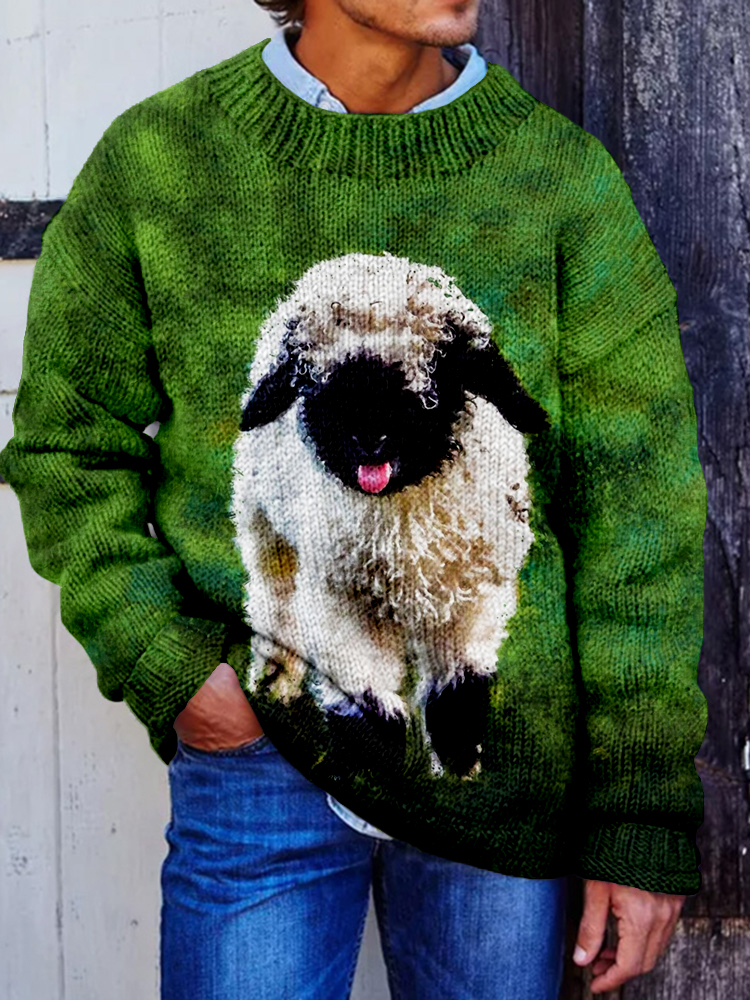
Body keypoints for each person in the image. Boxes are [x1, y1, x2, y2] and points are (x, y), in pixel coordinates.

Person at [0, 0, 708, 997]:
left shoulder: (558, 183)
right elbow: (68, 448)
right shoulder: (158, 165)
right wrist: (172, 666)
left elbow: (639, 511)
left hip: (498, 775)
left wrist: (640, 816)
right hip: (262, 756)